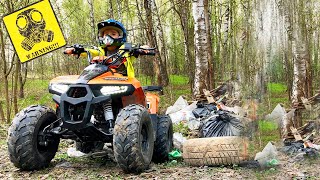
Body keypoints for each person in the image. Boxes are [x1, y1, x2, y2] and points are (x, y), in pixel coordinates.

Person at [65, 19, 145, 78]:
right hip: (105, 81)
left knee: (132, 99)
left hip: (125, 81)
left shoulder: (126, 49)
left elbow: (137, 47)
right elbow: (89, 51)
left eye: (113, 34)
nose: (108, 37)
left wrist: (142, 49)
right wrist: (76, 50)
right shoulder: (100, 51)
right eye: (105, 34)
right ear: (101, 36)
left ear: (120, 35)